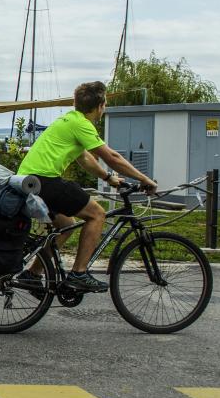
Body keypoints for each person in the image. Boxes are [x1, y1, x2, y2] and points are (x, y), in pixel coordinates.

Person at [17, 81, 158, 292]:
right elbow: (111, 156)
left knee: (66, 224)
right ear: (100, 105)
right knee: (97, 214)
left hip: (31, 181)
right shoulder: (81, 124)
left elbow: (84, 157)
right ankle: (78, 274)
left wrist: (108, 178)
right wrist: (144, 179)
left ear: (77, 103)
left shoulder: (69, 120)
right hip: (44, 180)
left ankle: (32, 274)